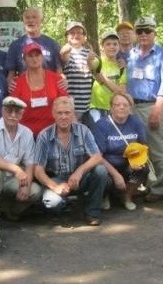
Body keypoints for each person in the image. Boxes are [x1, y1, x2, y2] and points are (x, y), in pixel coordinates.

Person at [33, 96, 110, 226]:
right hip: (57, 179)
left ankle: (92, 212)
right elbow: (38, 171)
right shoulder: (44, 136)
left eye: (67, 113)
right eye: (59, 113)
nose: (63, 117)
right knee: (51, 202)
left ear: (73, 114)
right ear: (53, 114)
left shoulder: (83, 130)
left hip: (80, 178)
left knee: (101, 171)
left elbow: (97, 156)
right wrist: (55, 187)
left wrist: (80, 171)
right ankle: (67, 206)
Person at [125, 15, 163, 202]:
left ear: (154, 33)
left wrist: (156, 111)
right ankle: (140, 184)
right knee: (135, 148)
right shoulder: (130, 55)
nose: (143, 34)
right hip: (131, 107)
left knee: (156, 148)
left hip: (151, 106)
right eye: (139, 31)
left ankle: (160, 188)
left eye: (147, 31)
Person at [0, 96, 42, 220]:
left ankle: (7, 210)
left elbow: (30, 164)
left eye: (17, 112)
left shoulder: (27, 133)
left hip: (13, 179)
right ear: (2, 111)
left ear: (22, 114)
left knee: (35, 191)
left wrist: (26, 186)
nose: (13, 115)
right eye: (9, 111)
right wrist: (16, 169)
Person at [92, 92, 147, 211]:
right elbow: (97, 156)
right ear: (111, 107)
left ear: (130, 108)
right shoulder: (101, 125)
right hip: (107, 164)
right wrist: (115, 175)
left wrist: (137, 161)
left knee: (143, 168)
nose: (121, 107)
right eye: (117, 104)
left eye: (125, 105)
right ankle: (104, 196)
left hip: (128, 163)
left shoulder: (136, 122)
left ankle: (127, 197)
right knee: (100, 172)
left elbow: (143, 146)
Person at [11, 42, 69, 136]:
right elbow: (13, 110)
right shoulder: (17, 83)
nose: (34, 59)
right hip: (26, 134)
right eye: (30, 56)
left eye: (37, 55)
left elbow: (66, 105)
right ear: (24, 59)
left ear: (42, 57)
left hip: (52, 133)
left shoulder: (56, 79)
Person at [5, 7, 62, 86]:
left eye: (34, 17)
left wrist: (61, 86)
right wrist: (10, 85)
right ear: (23, 21)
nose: (30, 20)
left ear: (41, 21)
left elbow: (59, 71)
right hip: (25, 89)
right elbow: (11, 74)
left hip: (49, 89)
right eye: (27, 18)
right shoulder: (15, 45)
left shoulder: (52, 44)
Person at [86, 30, 127, 128]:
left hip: (114, 110)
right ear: (102, 46)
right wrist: (88, 59)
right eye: (108, 44)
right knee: (97, 134)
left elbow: (122, 91)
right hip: (96, 109)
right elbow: (91, 66)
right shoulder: (98, 62)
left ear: (119, 46)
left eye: (115, 44)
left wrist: (102, 78)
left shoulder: (121, 66)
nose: (112, 47)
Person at [60, 21, 95, 120]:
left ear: (84, 37)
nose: (76, 35)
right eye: (72, 33)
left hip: (87, 104)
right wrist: (63, 53)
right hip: (70, 104)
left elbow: (94, 71)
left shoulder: (89, 52)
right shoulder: (65, 51)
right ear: (67, 37)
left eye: (79, 32)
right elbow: (64, 59)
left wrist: (90, 61)